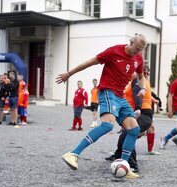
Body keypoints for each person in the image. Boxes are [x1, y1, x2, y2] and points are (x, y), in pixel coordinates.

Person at [56, 34, 147, 179]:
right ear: (130, 42)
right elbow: (90, 62)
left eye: (140, 51)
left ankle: (124, 164)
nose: (137, 53)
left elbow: (141, 76)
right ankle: (73, 154)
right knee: (108, 125)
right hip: (107, 92)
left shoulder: (138, 58)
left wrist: (143, 88)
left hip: (120, 96)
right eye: (136, 49)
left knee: (134, 129)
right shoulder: (114, 51)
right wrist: (69, 73)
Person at [105, 66, 160, 173]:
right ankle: (118, 155)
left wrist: (138, 109)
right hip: (139, 113)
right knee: (124, 134)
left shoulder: (136, 79)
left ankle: (132, 165)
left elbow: (138, 95)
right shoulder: (135, 81)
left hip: (142, 113)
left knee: (129, 133)